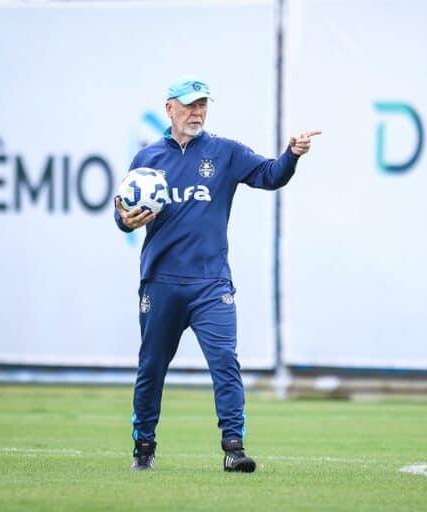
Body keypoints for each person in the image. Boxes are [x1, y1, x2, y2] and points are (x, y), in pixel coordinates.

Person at [114, 75, 320, 472]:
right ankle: (144, 445)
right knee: (151, 366)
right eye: (190, 104)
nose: (198, 112)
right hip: (161, 283)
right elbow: (123, 214)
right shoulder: (146, 159)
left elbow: (271, 174)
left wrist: (292, 154)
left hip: (211, 284)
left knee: (225, 361)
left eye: (203, 104)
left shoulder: (224, 152)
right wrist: (126, 220)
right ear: (169, 108)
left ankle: (234, 448)